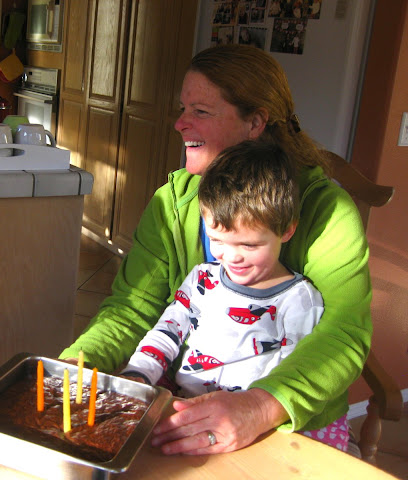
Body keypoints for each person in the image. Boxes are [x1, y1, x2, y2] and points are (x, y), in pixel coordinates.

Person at [60, 44, 371, 456]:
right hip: (187, 401)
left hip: (286, 421)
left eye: (201, 111)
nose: (179, 123)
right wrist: (76, 365)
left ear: (255, 122)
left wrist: (260, 407)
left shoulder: (328, 211)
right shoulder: (171, 205)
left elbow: (343, 334)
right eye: (183, 108)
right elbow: (131, 308)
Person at [120, 141, 349, 451]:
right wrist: (139, 374)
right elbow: (167, 332)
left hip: (252, 430)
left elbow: (291, 376)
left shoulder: (298, 301)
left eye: (249, 245)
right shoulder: (202, 279)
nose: (231, 257)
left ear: (287, 230)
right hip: (185, 405)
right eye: (217, 240)